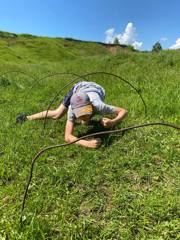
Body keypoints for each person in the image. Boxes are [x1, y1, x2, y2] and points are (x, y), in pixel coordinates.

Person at [16, 81, 128, 148]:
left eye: (86, 113)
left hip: (95, 89)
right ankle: (27, 117)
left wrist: (112, 122)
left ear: (91, 107)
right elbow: (67, 136)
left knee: (85, 123)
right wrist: (87, 144)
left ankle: (89, 120)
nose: (82, 116)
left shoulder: (99, 105)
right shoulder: (71, 109)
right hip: (77, 88)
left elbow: (124, 111)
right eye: (80, 114)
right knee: (57, 114)